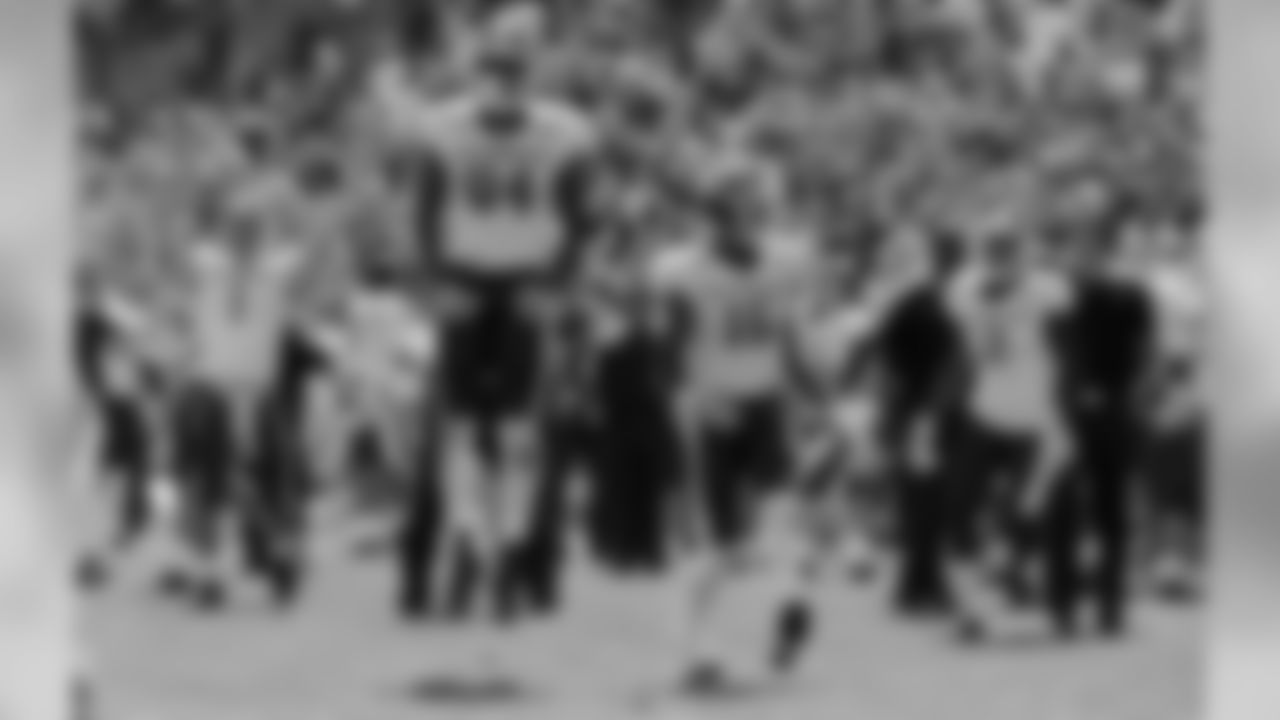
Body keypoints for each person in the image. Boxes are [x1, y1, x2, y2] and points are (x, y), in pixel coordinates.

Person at [388, 4, 598, 677]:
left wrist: (557, 289)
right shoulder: (442, 128)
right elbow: (421, 217)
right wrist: (433, 287)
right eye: (496, 68)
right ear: (477, 69)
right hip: (464, 282)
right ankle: (435, 567)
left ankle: (521, 568)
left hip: (526, 287)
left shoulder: (563, 132)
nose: (505, 82)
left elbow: (582, 220)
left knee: (524, 439)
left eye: (517, 69)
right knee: (448, 435)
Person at [650, 161, 821, 690]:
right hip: (714, 413)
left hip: (766, 404)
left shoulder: (785, 262)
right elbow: (664, 356)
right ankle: (696, 649)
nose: (753, 219)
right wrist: (697, 399)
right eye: (741, 209)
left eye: (757, 208)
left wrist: (821, 394)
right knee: (721, 545)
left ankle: (791, 608)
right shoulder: (685, 272)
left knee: (785, 519)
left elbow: (790, 337)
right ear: (717, 215)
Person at [941, 223, 1076, 641]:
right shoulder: (966, 290)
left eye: (1009, 252)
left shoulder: (1047, 292)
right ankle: (970, 604)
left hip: (1034, 420)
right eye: (994, 252)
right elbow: (966, 349)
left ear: (1022, 254)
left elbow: (1068, 347)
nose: (1001, 261)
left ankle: (1024, 589)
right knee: (960, 509)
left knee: (1025, 515)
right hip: (985, 413)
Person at [1053, 203, 1157, 637]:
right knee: (1064, 510)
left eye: (1089, 244)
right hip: (1066, 415)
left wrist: (1130, 401)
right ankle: (1064, 606)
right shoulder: (1058, 296)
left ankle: (1110, 606)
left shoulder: (1130, 297)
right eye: (1076, 244)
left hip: (1113, 413)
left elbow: (1145, 355)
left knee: (1111, 510)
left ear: (1104, 249)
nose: (1080, 252)